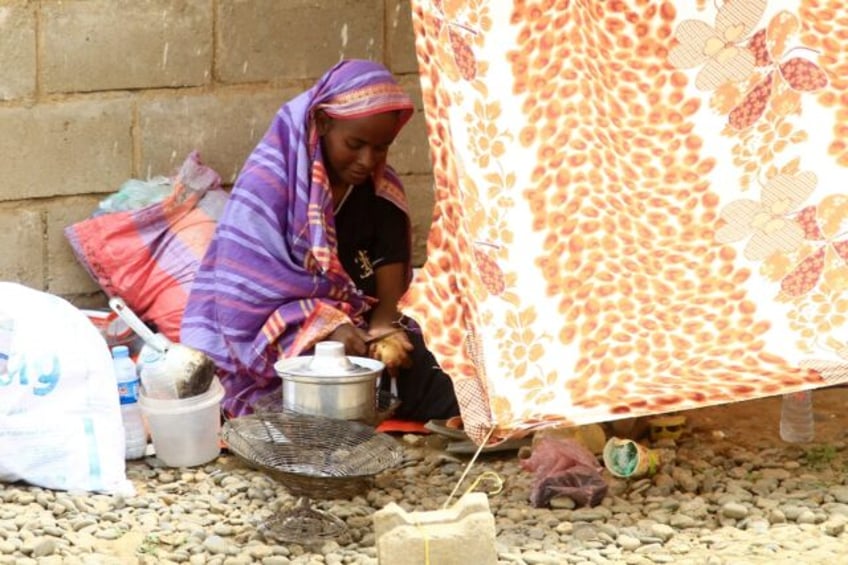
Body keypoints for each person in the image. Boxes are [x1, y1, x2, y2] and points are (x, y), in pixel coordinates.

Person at [180, 59, 459, 421]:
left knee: (449, 364)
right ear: (323, 123)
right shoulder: (267, 188)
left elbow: (388, 299)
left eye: (381, 148)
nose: (367, 160)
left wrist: (382, 327)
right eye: (356, 144)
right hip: (281, 346)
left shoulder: (379, 192)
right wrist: (326, 328)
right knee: (318, 387)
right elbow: (243, 306)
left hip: (359, 337)